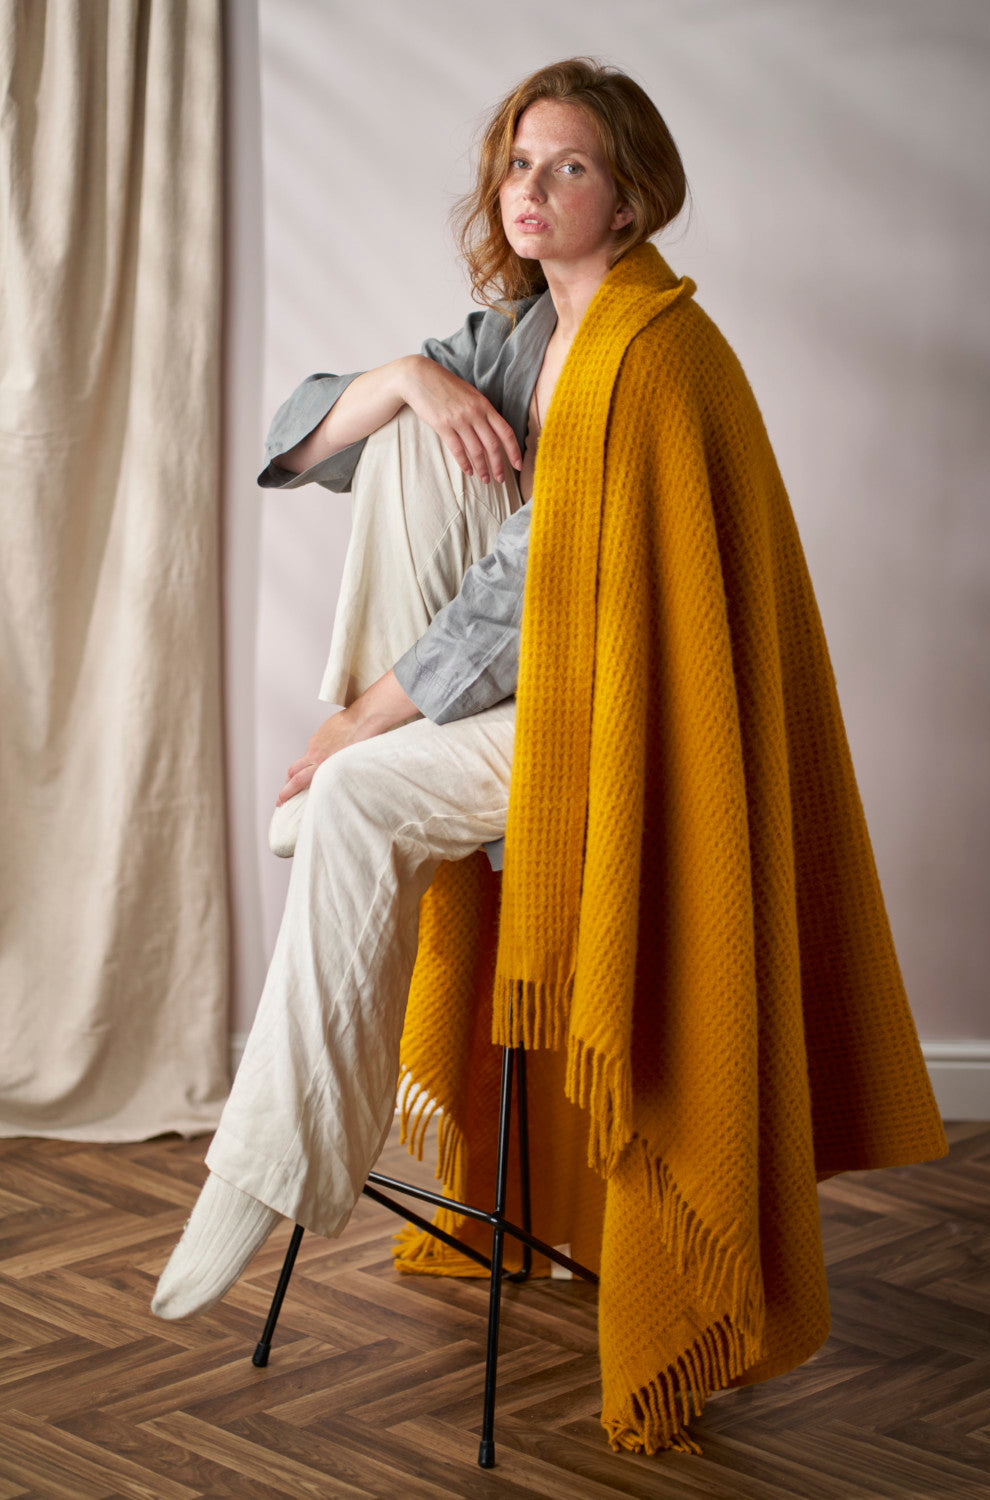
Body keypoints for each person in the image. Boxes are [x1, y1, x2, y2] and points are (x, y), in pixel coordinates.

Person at [151, 56, 687, 1320]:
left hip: (596, 719)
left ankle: (266, 1169)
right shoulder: (523, 335)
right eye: (518, 160)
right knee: (398, 439)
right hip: (507, 692)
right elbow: (293, 441)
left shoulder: (634, 354)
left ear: (625, 200)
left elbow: (528, 591)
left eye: (569, 167)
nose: (532, 188)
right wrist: (406, 376)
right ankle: (274, 1156)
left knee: (350, 800)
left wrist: (349, 725)